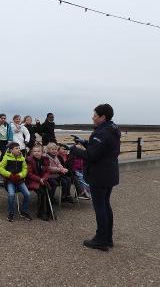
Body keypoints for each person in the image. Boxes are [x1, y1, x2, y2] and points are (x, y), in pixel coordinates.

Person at [70, 104, 121, 251]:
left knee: (100, 207)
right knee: (105, 205)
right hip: (109, 173)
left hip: (100, 175)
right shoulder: (112, 129)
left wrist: (73, 149)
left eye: (95, 115)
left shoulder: (102, 133)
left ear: (103, 117)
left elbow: (91, 156)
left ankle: (101, 240)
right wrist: (85, 142)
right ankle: (107, 238)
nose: (93, 117)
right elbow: (100, 150)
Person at [0, 142, 32, 222]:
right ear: (11, 150)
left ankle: (24, 211)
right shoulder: (6, 157)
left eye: (19, 148)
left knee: (27, 194)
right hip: (10, 180)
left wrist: (20, 175)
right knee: (11, 194)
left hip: (19, 180)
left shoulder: (22, 158)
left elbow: (25, 169)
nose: (19, 150)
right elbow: (0, 168)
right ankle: (11, 212)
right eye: (16, 148)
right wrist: (9, 175)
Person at [26, 145, 52, 221]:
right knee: (42, 192)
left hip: (42, 180)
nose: (36, 153)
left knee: (48, 190)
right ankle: (41, 213)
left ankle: (48, 210)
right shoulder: (29, 160)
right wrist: (39, 179)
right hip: (32, 180)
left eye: (38, 151)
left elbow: (47, 171)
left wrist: (44, 178)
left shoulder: (45, 159)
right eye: (34, 151)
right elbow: (29, 174)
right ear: (32, 152)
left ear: (42, 152)